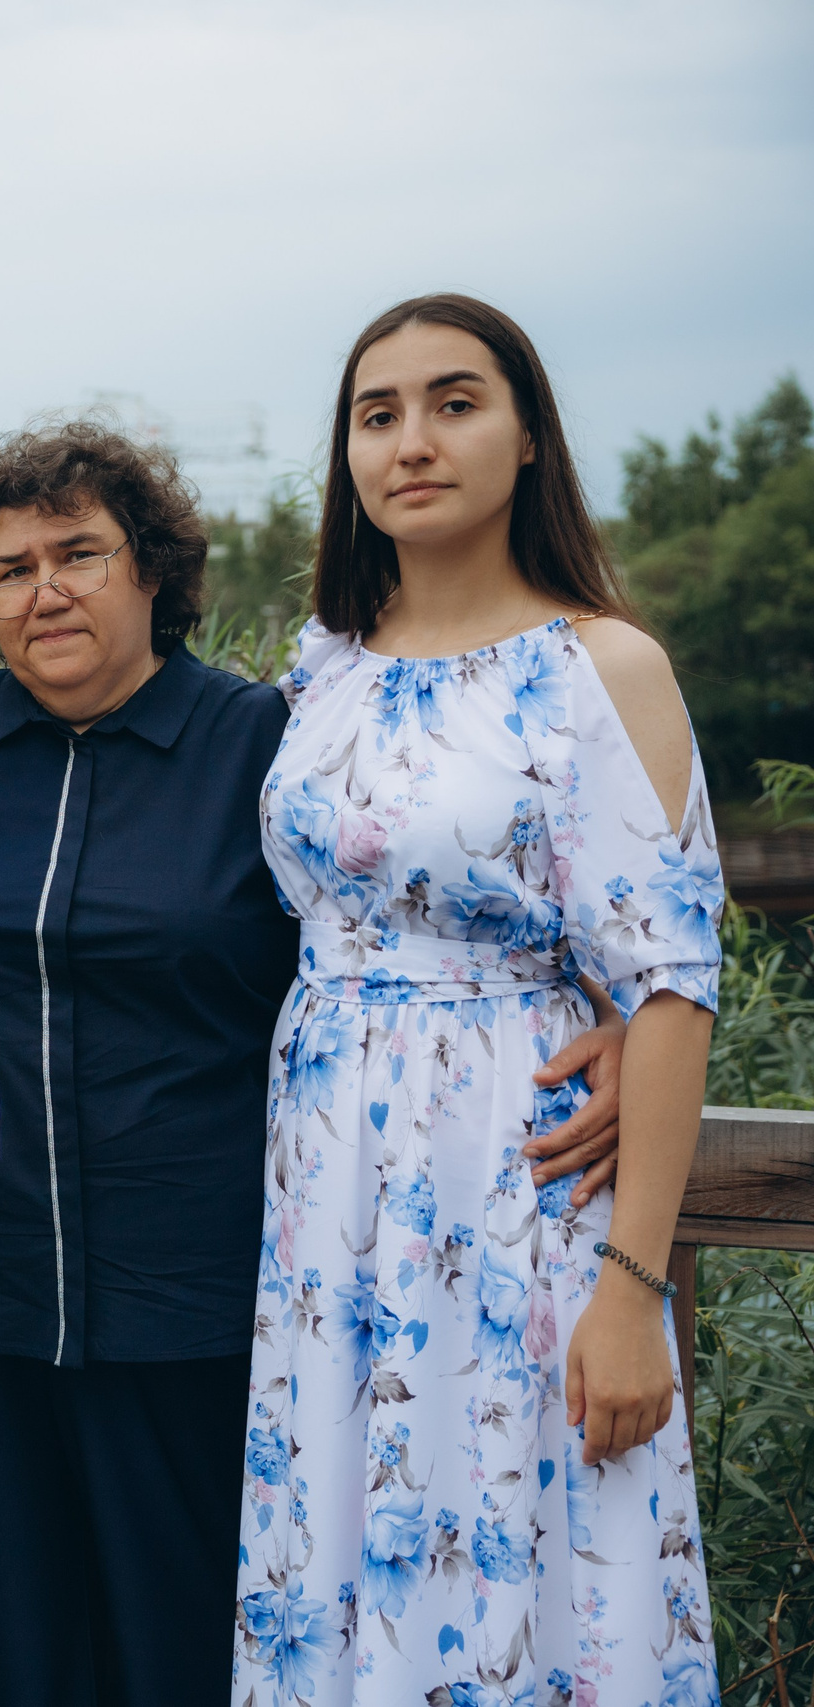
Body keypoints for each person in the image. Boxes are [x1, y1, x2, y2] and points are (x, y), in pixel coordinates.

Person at [0, 423, 632, 1707]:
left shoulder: (265, 748)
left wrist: (609, 1006)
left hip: (193, 1294)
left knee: (181, 1650)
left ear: (155, 574)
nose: (44, 590)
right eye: (10, 570)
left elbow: (437, 893)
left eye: (80, 554)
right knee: (22, 1655)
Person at [234, 294, 722, 1705]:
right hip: (329, 1196)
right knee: (344, 1526)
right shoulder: (320, 666)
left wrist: (632, 1289)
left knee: (526, 1524)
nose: (413, 440)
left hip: (514, 1176)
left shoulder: (599, 666)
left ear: (527, 437)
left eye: (455, 402)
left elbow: (674, 979)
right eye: (377, 413)